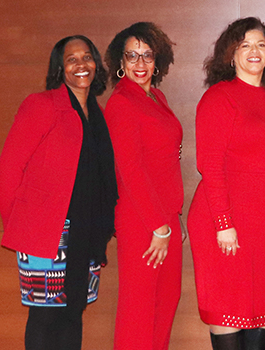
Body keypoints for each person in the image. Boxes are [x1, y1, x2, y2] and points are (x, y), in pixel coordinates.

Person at [0, 35, 116, 350]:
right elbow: (9, 169)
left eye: (87, 57)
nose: (81, 65)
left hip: (85, 232)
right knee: (44, 317)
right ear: (59, 68)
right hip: (45, 233)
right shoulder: (41, 105)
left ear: (96, 64)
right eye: (71, 59)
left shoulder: (97, 114)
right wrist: (21, 226)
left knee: (73, 312)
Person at [187, 17, 265, 350]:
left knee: (264, 311)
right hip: (224, 222)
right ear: (231, 55)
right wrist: (223, 222)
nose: (253, 51)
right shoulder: (219, 98)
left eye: (260, 45)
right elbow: (210, 166)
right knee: (228, 312)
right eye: (244, 45)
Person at [104, 22, 183, 350]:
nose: (139, 63)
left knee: (163, 309)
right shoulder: (121, 103)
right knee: (138, 314)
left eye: (146, 56)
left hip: (165, 220)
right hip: (143, 222)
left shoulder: (156, 97)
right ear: (120, 63)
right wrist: (159, 227)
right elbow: (132, 172)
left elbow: (163, 161)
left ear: (157, 60)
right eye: (131, 56)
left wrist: (172, 218)